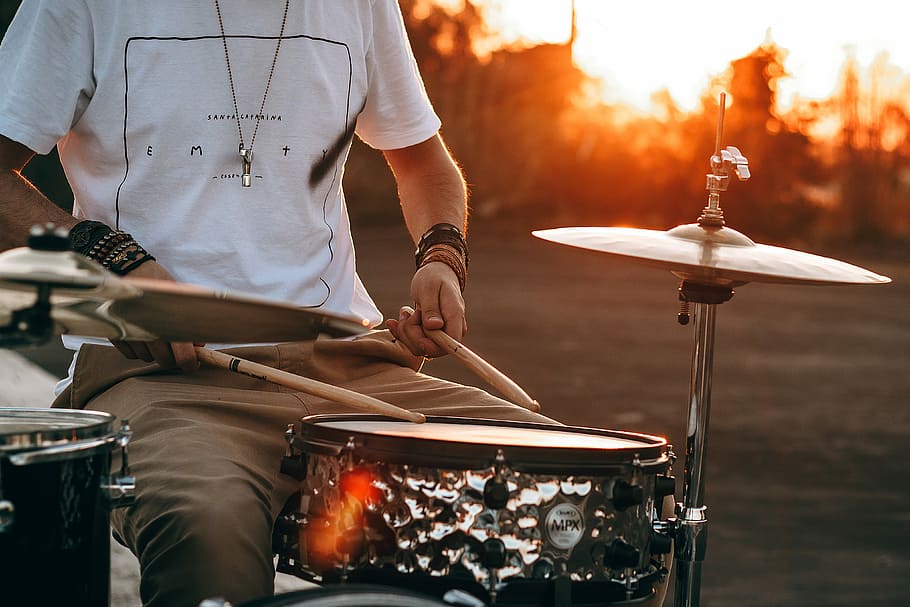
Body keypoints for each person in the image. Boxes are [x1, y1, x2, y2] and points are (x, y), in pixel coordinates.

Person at [0, 2, 670, 607]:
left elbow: (424, 164)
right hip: (164, 377)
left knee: (597, 506)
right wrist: (104, 263)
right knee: (208, 534)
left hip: (348, 368)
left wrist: (442, 257)